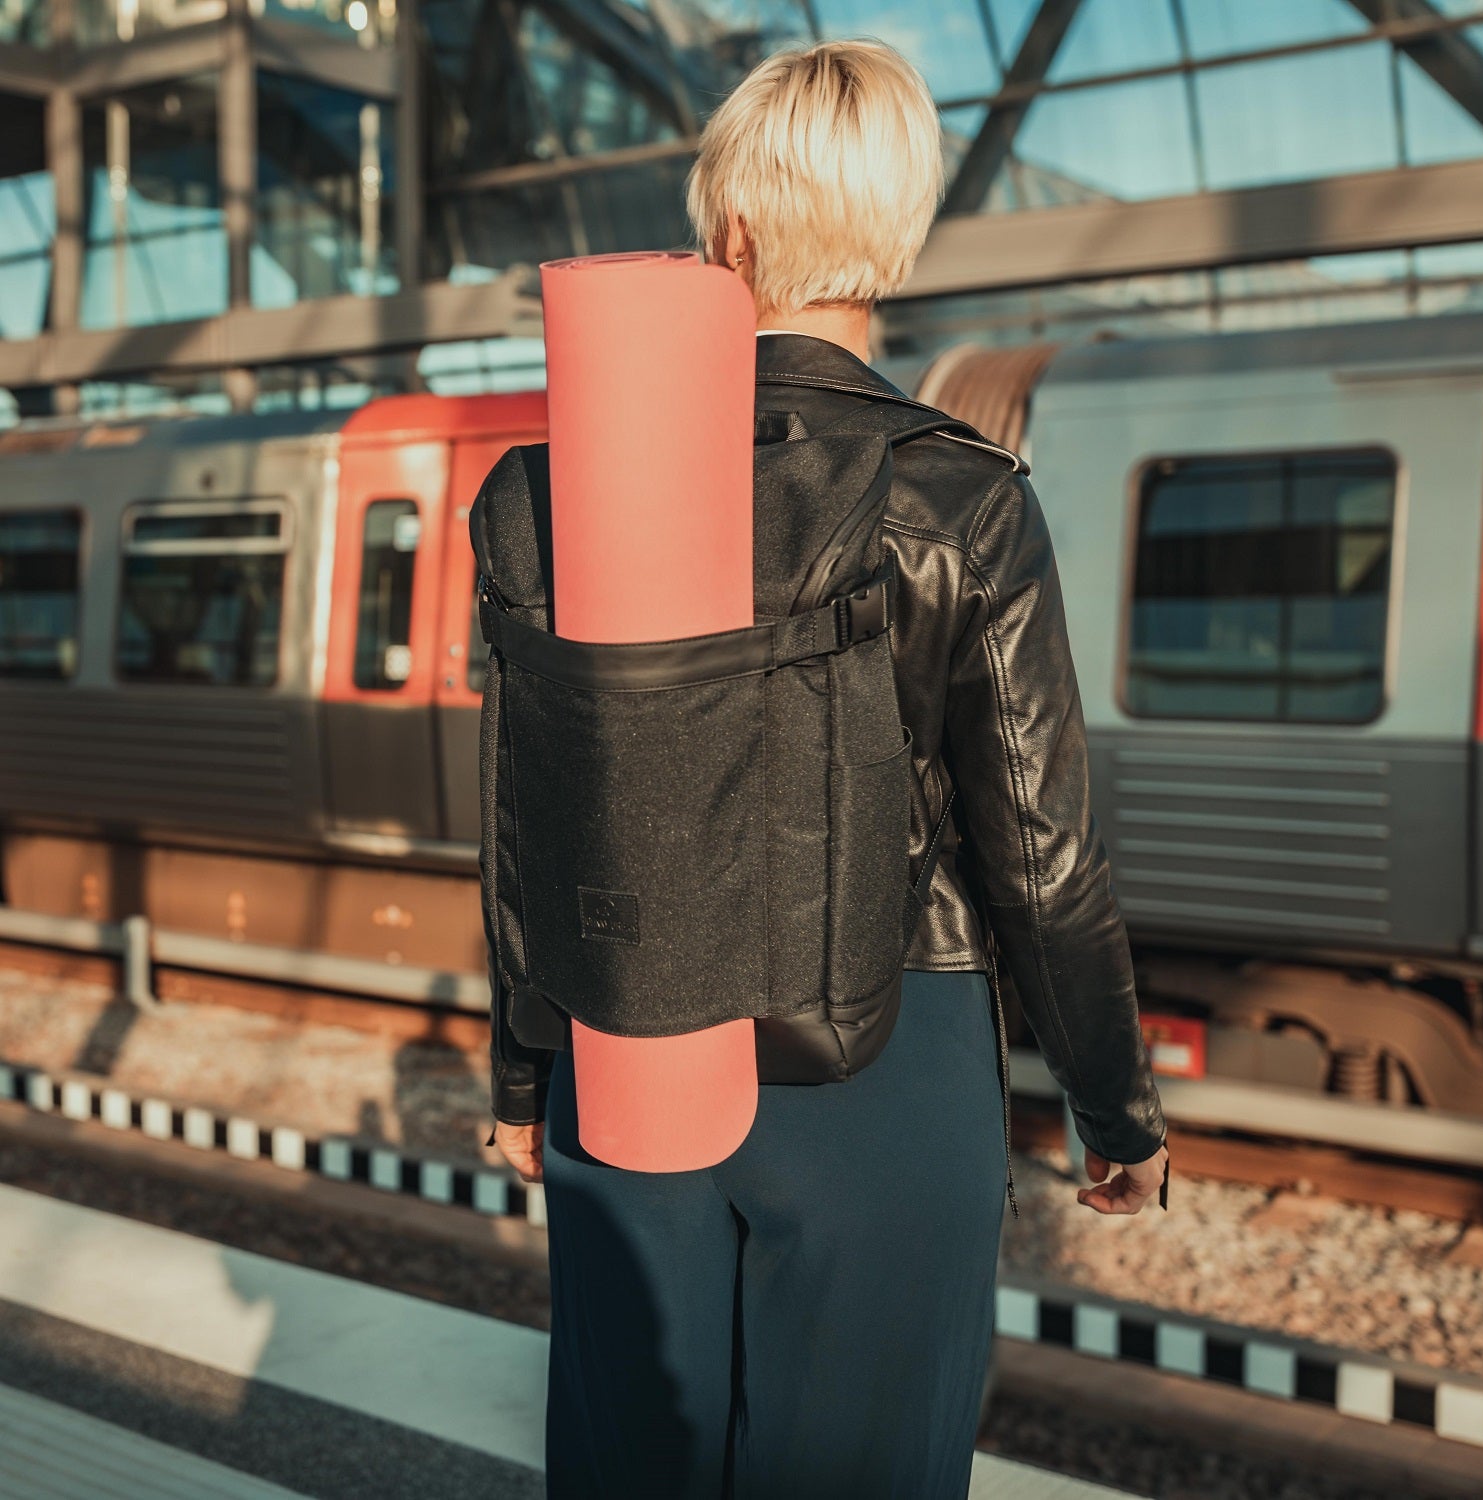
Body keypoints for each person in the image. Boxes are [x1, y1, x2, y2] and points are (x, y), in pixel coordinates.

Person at [488, 37, 1170, 1499]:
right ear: (896, 232)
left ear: (727, 227)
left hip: (629, 1045)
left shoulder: (548, 490)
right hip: (887, 1057)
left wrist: (518, 1066)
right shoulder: (963, 497)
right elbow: (1044, 863)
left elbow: (528, 816)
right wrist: (1112, 1111)